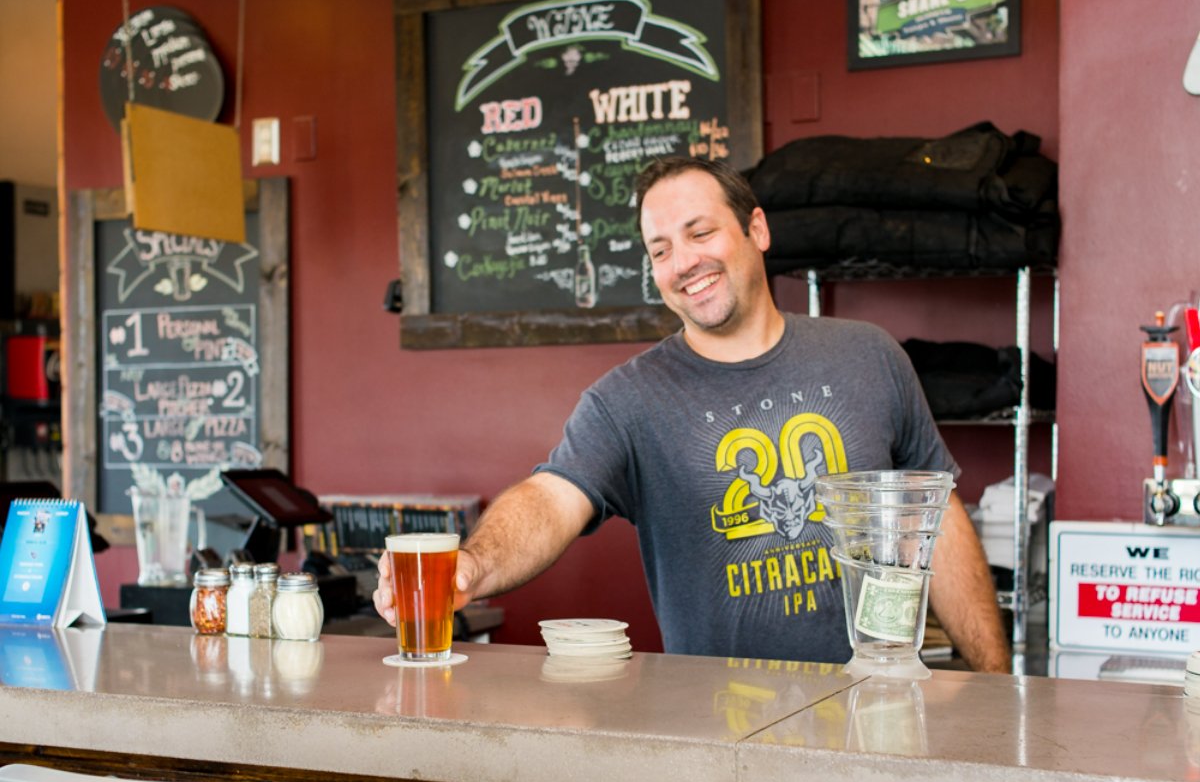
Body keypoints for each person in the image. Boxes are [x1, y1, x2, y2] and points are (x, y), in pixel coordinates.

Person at [376, 156, 1010, 673]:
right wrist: (475, 565)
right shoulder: (628, 400)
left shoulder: (869, 355)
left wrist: (996, 691)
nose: (683, 264)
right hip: (717, 738)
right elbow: (551, 496)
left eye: (700, 233)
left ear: (756, 230)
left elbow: (939, 519)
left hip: (873, 708)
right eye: (660, 250)